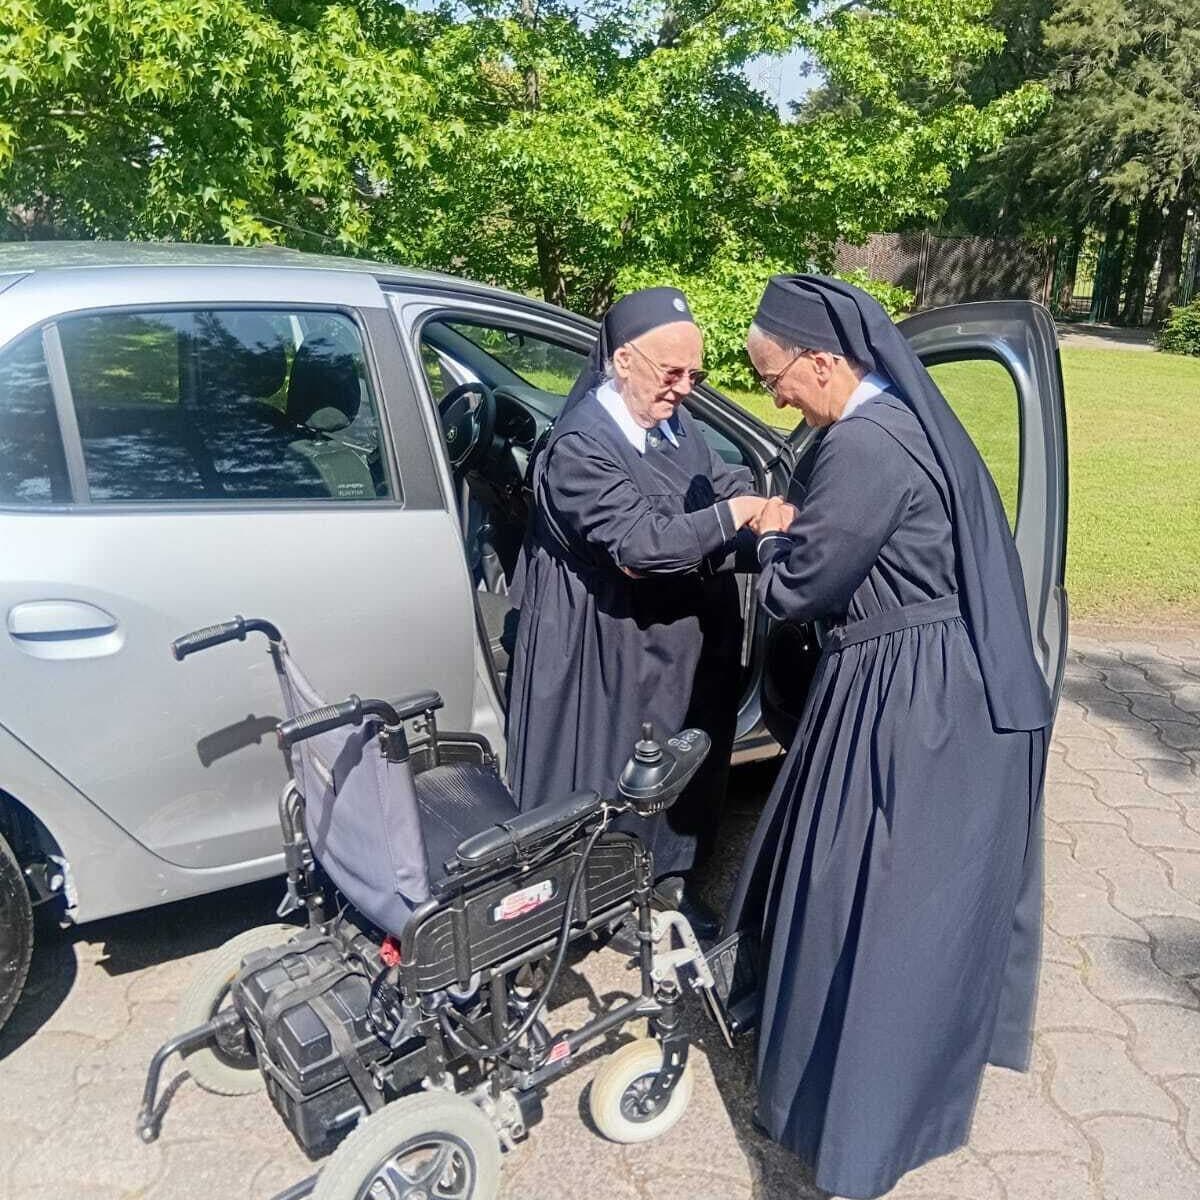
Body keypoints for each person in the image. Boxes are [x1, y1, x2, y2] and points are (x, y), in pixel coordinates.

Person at [725, 275, 1051, 1199]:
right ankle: (867, 1102)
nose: (775, 398)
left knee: (872, 902)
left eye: (776, 377)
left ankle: (859, 1139)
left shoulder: (865, 444)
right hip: (921, 677)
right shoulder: (896, 423)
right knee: (883, 898)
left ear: (824, 361)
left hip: (914, 698)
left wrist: (764, 533)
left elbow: (801, 587)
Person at [506, 287, 767, 942]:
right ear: (622, 362)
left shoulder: (675, 425)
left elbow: (713, 481)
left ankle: (671, 879)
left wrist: (770, 504)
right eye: (670, 374)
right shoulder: (578, 448)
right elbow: (639, 546)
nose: (684, 389)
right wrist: (737, 517)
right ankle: (608, 896)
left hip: (680, 633)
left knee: (688, 754)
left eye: (695, 376)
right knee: (621, 765)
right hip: (609, 637)